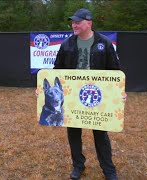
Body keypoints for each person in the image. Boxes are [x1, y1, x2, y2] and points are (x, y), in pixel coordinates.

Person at [53, 8, 121, 180]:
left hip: (98, 96)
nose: (73, 25)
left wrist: (119, 91)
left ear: (89, 23)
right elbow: (56, 72)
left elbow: (114, 72)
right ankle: (78, 166)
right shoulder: (66, 44)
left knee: (100, 134)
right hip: (72, 97)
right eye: (72, 22)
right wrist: (45, 89)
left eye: (77, 22)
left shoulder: (104, 43)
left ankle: (109, 171)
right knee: (73, 133)